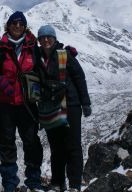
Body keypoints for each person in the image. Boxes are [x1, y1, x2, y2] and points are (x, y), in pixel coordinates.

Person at [0, 11, 44, 192]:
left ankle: (34, 182)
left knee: (32, 143)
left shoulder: (33, 48)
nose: (18, 26)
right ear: (8, 26)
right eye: (14, 23)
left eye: (21, 24)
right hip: (3, 105)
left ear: (25, 27)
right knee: (6, 145)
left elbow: (46, 62)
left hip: (27, 105)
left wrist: (64, 53)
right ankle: (10, 185)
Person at [36, 25, 92, 192]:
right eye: (42, 37)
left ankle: (75, 184)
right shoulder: (37, 57)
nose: (46, 40)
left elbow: (79, 77)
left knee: (73, 145)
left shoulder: (64, 54)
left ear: (54, 38)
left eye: (49, 37)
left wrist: (85, 102)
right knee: (56, 147)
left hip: (71, 105)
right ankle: (58, 182)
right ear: (39, 40)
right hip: (50, 107)